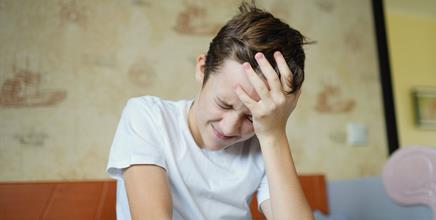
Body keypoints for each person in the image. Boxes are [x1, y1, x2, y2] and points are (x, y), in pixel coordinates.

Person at [107, 1, 313, 220]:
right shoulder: (148, 117)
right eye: (223, 104)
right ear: (203, 70)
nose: (229, 127)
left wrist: (274, 134)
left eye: (251, 117)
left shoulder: (266, 144)